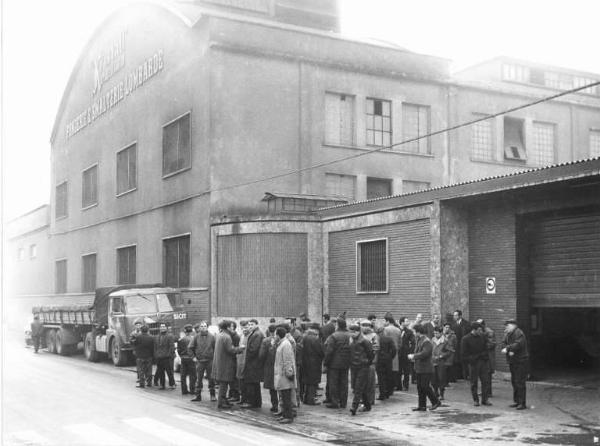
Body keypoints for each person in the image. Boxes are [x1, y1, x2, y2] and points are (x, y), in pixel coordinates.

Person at [408, 324, 441, 411]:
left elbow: (425, 353)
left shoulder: (426, 341)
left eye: (414, 331)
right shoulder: (419, 339)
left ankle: (436, 401)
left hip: (426, 368)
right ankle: (422, 406)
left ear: (418, 332)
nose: (414, 333)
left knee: (425, 386)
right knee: (420, 387)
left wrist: (413, 356)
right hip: (420, 368)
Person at [212, 320, 245, 409]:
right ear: (227, 327)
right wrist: (240, 348)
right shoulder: (227, 337)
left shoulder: (220, 335)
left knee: (223, 384)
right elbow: (230, 350)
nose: (232, 328)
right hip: (225, 364)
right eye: (231, 326)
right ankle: (221, 402)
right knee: (224, 384)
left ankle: (223, 400)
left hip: (221, 363)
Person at [501, 319, 529, 410]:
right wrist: (508, 350)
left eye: (508, 325)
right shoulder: (507, 334)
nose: (506, 327)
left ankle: (522, 403)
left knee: (519, 381)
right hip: (513, 360)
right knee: (514, 381)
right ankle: (517, 401)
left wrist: (509, 349)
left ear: (514, 325)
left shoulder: (519, 333)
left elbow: (518, 344)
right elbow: (503, 343)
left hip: (520, 361)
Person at [323, 318, 351, 409]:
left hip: (334, 364)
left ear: (338, 325)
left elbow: (329, 351)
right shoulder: (349, 336)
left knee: (333, 383)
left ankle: (334, 402)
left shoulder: (333, 336)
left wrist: (326, 363)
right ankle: (343, 402)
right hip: (346, 363)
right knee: (344, 383)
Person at [461, 322, 491, 406]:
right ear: (473, 330)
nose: (481, 331)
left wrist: (484, 357)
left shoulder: (482, 337)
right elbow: (464, 354)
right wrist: (472, 359)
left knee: (485, 381)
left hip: (483, 362)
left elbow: (486, 348)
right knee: (474, 382)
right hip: (473, 363)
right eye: (479, 330)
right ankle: (476, 400)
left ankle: (485, 399)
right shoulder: (465, 339)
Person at [348, 324, 374, 415]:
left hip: (362, 367)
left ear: (358, 332)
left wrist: (367, 362)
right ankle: (367, 404)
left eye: (352, 332)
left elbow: (371, 353)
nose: (351, 334)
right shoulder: (353, 341)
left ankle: (354, 407)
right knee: (357, 387)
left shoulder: (364, 341)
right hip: (355, 366)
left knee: (358, 387)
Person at [189, 320, 216, 402]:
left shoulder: (212, 337)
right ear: (199, 328)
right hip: (200, 361)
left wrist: (214, 358)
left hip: (209, 361)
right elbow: (190, 348)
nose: (203, 328)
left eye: (204, 326)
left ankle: (212, 395)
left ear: (207, 327)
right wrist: (193, 357)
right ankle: (198, 395)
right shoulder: (196, 337)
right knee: (199, 378)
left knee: (211, 378)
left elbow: (215, 349)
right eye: (202, 326)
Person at [274, 326, 296, 424]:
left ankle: (289, 416)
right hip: (281, 374)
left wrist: (289, 373)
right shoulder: (281, 343)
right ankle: (284, 414)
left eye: (275, 334)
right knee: (283, 396)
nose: (274, 336)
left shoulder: (285, 344)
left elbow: (287, 360)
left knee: (287, 397)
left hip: (285, 375)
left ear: (278, 335)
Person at [241, 319, 264, 408]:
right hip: (254, 363)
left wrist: (247, 352)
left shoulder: (257, 334)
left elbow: (253, 349)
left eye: (252, 324)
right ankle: (257, 402)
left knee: (251, 383)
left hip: (253, 363)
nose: (250, 326)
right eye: (249, 325)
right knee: (255, 383)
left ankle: (251, 402)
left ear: (256, 324)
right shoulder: (255, 333)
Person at [301, 322, 324, 405]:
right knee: (313, 382)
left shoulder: (305, 337)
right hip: (314, 363)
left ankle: (306, 398)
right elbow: (320, 351)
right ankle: (311, 400)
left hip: (305, 362)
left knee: (307, 381)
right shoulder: (315, 338)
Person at [260, 324, 279, 412]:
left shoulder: (265, 341)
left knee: (272, 388)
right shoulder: (280, 340)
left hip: (269, 366)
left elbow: (261, 355)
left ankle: (274, 405)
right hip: (279, 365)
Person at [360, 320, 378, 408]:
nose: (365, 327)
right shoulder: (359, 335)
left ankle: (370, 400)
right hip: (360, 362)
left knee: (370, 382)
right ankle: (362, 399)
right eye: (363, 325)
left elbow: (376, 348)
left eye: (367, 325)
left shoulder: (374, 336)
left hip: (370, 362)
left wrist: (371, 359)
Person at [375, 326, 396, 400]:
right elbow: (394, 349)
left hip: (380, 359)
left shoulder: (378, 339)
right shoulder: (389, 339)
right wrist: (391, 357)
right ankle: (388, 392)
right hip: (388, 359)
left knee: (381, 378)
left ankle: (382, 394)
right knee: (388, 376)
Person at [383, 313, 401, 393]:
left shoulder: (386, 329)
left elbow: (384, 341)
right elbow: (400, 343)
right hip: (395, 352)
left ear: (387, 321)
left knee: (387, 372)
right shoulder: (398, 330)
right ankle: (392, 388)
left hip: (387, 353)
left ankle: (387, 389)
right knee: (394, 372)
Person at [477, 318, 496, 398]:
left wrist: (481, 346)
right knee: (483, 374)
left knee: (487, 374)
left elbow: (492, 344)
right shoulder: (481, 332)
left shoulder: (489, 332)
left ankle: (488, 392)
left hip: (488, 356)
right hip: (483, 356)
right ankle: (485, 391)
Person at [154, 323, 176, 390]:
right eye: (161, 327)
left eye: (164, 327)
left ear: (166, 328)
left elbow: (171, 347)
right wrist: (156, 354)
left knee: (169, 372)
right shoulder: (157, 337)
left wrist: (168, 355)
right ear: (159, 328)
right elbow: (155, 347)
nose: (162, 328)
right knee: (160, 372)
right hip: (159, 357)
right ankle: (162, 385)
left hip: (167, 357)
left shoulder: (170, 336)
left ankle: (172, 384)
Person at [431, 325, 450, 401]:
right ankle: (436, 392)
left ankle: (442, 394)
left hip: (441, 362)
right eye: (434, 333)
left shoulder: (445, 341)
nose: (435, 335)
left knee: (441, 378)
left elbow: (449, 351)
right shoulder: (432, 340)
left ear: (441, 333)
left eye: (437, 333)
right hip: (433, 361)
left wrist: (442, 356)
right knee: (433, 379)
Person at [177, 324, 196, 395]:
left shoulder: (181, 340)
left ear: (185, 331)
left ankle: (184, 390)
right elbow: (195, 349)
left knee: (183, 375)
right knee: (192, 375)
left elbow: (179, 350)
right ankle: (192, 390)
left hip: (183, 358)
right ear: (191, 331)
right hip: (191, 359)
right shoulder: (193, 339)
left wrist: (181, 355)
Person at [398, 317, 415, 392]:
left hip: (406, 353)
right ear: (402, 322)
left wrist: (410, 352)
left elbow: (413, 342)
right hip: (398, 353)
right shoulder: (397, 330)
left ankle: (406, 385)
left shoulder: (409, 332)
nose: (408, 322)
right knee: (398, 370)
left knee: (406, 371)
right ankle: (398, 385)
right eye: (406, 321)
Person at [452, 310, 471, 380]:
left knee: (464, 361)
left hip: (464, 345)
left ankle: (465, 376)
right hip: (456, 345)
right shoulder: (453, 324)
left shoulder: (466, 324)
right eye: (454, 315)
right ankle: (458, 375)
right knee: (457, 360)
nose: (454, 317)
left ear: (460, 316)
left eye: (456, 315)